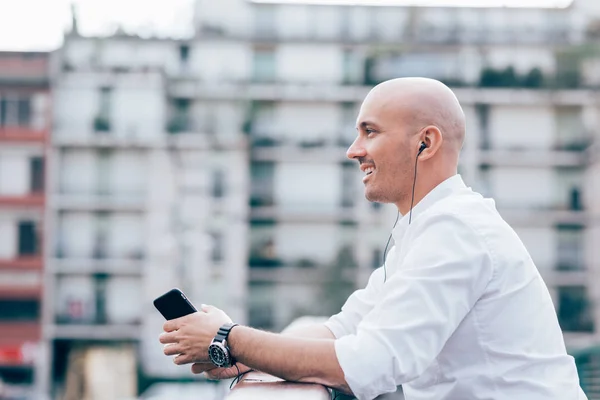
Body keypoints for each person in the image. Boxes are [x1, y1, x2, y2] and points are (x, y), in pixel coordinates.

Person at [159, 77, 587, 400]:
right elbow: (340, 332)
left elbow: (364, 366)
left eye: (370, 132)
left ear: (426, 143)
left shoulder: (457, 233)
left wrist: (226, 338)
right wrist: (241, 348)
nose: (353, 150)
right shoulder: (423, 231)